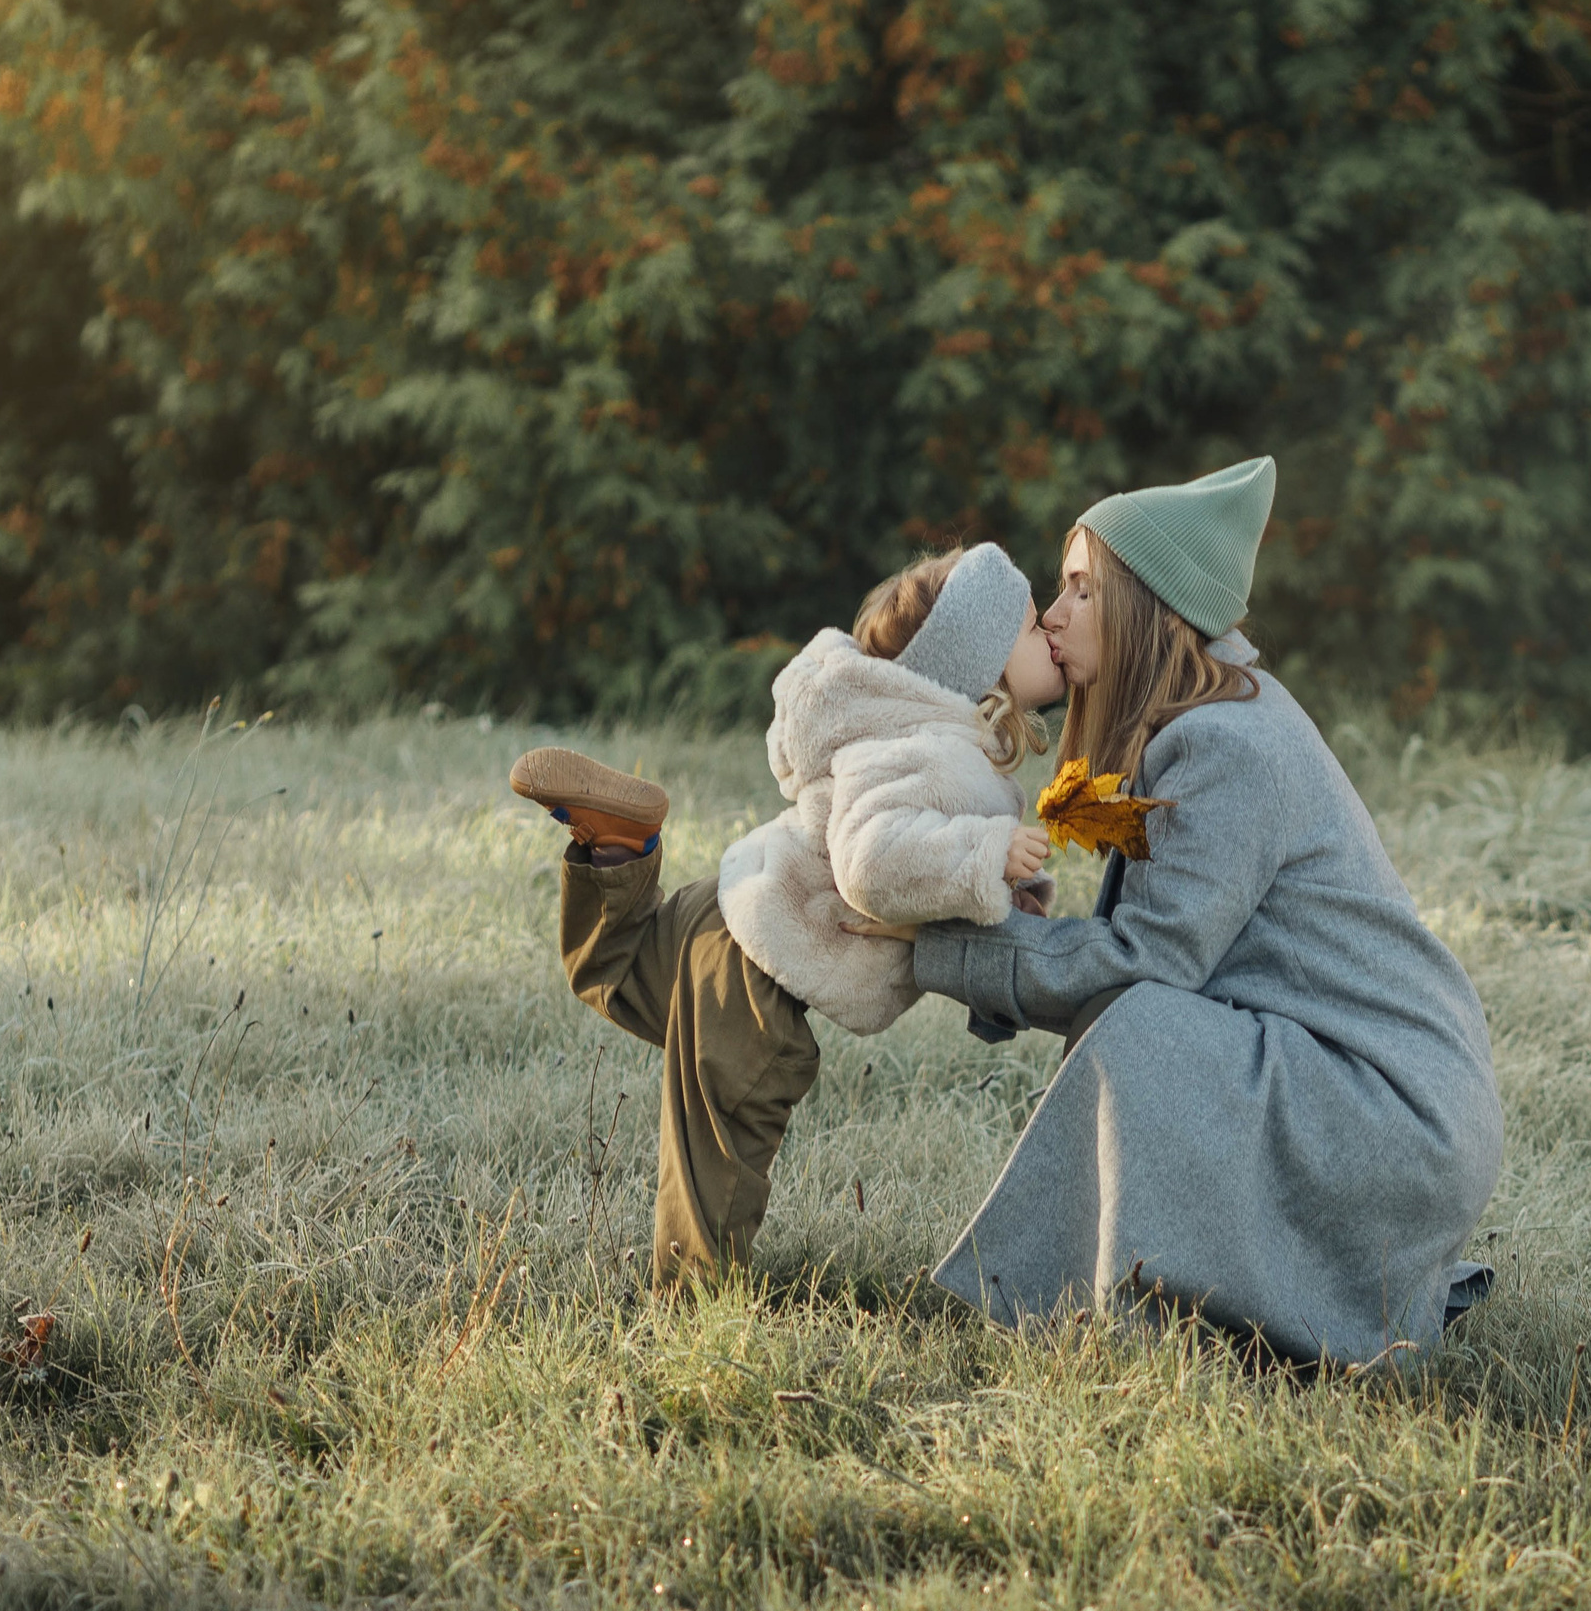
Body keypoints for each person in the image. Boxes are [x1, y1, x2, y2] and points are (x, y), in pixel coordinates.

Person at [865, 458, 1504, 1366]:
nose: (1051, 615)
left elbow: (1146, 965)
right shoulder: (1205, 721)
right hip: (1367, 1091)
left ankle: (1101, 1321)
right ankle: (1139, 1306)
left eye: (1081, 590)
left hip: (1392, 1117)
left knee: (1146, 1029)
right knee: (1151, 1026)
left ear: (1149, 609)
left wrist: (936, 951)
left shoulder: (1225, 745)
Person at [509, 543, 1066, 1287]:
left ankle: (617, 848)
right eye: (1033, 627)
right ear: (984, 661)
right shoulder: (939, 752)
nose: (1053, 632)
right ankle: (695, 1315)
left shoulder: (896, 727)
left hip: (731, 908)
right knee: (723, 1141)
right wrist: (985, 854)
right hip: (769, 967)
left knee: (611, 969)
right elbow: (872, 864)